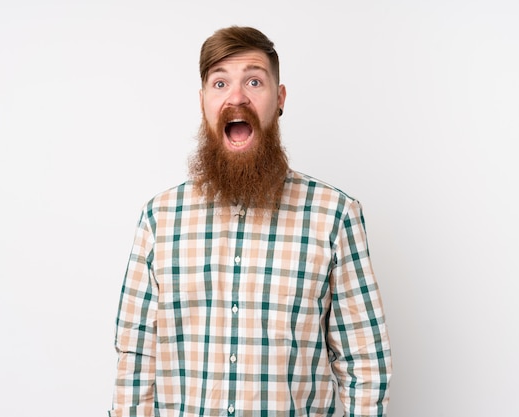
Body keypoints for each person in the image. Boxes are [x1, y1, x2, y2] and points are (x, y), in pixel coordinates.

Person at [109, 26, 392, 417]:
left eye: (254, 81)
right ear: (203, 101)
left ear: (279, 99)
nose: (236, 96)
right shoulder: (159, 218)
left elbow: (364, 360)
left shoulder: (335, 215)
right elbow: (135, 358)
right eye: (220, 83)